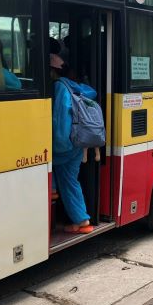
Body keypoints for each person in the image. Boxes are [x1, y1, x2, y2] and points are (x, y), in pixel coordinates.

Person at [51, 53, 97, 234]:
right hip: (79, 141)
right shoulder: (79, 87)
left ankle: (52, 188)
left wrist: (58, 144)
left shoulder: (59, 87)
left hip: (66, 144)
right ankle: (82, 221)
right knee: (70, 181)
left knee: (41, 162)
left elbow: (60, 120)